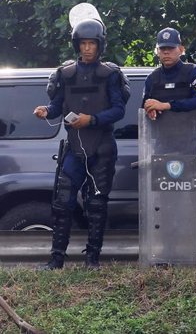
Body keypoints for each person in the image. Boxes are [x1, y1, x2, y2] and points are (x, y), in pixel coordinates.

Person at [33, 15, 129, 269]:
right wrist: (46, 111)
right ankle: (56, 260)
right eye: (83, 44)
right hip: (74, 150)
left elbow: (119, 110)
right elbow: (57, 106)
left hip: (102, 147)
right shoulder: (65, 74)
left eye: (92, 44)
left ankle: (92, 260)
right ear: (77, 45)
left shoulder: (110, 75)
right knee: (62, 202)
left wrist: (92, 120)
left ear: (99, 45)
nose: (87, 48)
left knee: (96, 205)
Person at [142, 27, 196, 120]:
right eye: (162, 48)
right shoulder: (152, 78)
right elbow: (144, 107)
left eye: (171, 48)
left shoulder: (195, 72)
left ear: (181, 49)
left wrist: (167, 105)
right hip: (159, 133)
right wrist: (150, 108)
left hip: (191, 131)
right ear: (157, 51)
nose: (166, 52)